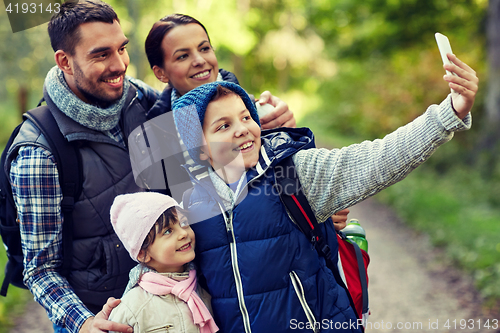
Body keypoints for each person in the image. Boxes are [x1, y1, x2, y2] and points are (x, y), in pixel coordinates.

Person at [170, 53, 477, 332]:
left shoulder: (291, 173)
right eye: (223, 126)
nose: (242, 129)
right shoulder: (192, 204)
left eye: (246, 117)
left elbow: (376, 160)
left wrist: (449, 113)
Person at [4, 1, 159, 332]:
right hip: (102, 318)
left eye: (122, 49)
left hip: (168, 299)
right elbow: (42, 270)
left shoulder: (134, 96)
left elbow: (194, 106)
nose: (120, 65)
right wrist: (84, 324)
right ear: (64, 61)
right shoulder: (38, 153)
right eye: (101, 54)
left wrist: (260, 111)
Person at [108, 192, 218, 333]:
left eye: (184, 223)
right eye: (167, 231)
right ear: (143, 253)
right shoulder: (132, 307)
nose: (183, 233)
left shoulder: (203, 291)